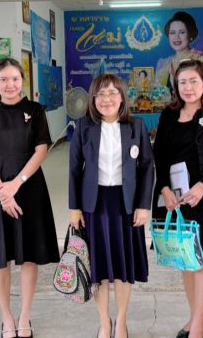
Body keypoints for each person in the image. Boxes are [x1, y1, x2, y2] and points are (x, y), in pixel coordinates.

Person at [0, 58, 59, 338]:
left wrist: (16, 185)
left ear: (23, 80)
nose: (10, 85)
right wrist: (3, 191)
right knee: (1, 257)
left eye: (15, 79)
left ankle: (24, 316)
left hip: (29, 190)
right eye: (3, 80)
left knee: (29, 255)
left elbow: (41, 151)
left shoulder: (35, 110)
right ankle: (7, 317)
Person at [152, 59, 203, 338]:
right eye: (182, 82)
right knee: (185, 259)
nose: (188, 87)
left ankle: (198, 327)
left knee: (202, 260)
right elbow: (159, 154)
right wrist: (164, 188)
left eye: (193, 81)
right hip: (175, 199)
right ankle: (195, 317)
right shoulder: (169, 115)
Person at [68, 74, 155, 338]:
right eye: (101, 94)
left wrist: (144, 205)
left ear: (122, 97)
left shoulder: (136, 126)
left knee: (124, 267)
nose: (107, 99)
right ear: (93, 99)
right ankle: (104, 322)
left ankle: (122, 321)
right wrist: (74, 208)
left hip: (126, 206)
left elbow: (147, 167)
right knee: (99, 268)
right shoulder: (83, 127)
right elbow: (74, 170)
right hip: (94, 206)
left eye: (112, 93)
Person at [155, 11, 203, 93]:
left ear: (190, 34)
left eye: (182, 32)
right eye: (172, 33)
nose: (176, 37)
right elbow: (157, 94)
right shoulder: (163, 64)